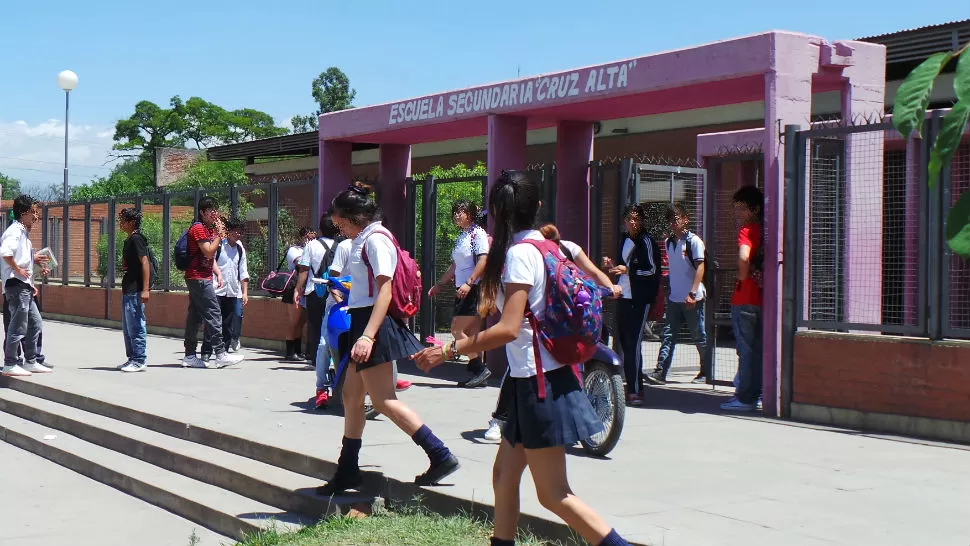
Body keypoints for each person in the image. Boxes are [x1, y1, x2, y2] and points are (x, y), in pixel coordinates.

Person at [413, 171, 632, 546]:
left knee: (554, 494)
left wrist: (449, 349)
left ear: (496, 212)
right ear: (538, 207)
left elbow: (509, 328)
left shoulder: (519, 255)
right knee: (504, 476)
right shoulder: (555, 247)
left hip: (539, 383)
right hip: (528, 380)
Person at [317, 184, 459, 495]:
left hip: (373, 325)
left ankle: (440, 454)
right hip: (364, 321)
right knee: (352, 398)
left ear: (354, 217)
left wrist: (368, 335)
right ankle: (348, 470)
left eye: (340, 221)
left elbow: (386, 290)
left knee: (383, 399)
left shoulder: (376, 241)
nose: (337, 226)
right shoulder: (364, 239)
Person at [481, 222, 621, 442]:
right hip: (545, 321)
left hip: (575, 314)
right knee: (519, 369)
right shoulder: (528, 252)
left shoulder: (568, 249)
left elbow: (592, 271)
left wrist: (610, 286)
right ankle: (500, 418)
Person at [647, 203, 712, 385]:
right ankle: (661, 372)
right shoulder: (669, 243)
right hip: (675, 298)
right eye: (670, 220)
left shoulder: (694, 242)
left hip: (693, 298)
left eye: (676, 219)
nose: (673, 223)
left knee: (699, 336)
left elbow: (701, 267)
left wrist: (692, 293)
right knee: (668, 335)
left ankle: (706, 372)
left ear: (685, 219)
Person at [428, 200, 491, 388]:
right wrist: (440, 284)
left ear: (470, 214)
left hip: (473, 289)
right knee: (471, 333)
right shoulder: (463, 236)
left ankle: (479, 368)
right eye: (455, 212)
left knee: (456, 330)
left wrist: (469, 283)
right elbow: (455, 266)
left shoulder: (477, 234)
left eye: (461, 211)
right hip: (463, 288)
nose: (456, 215)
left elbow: (483, 261)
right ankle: (478, 375)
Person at [602, 204, 660, 407]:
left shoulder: (647, 241)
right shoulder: (624, 240)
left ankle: (635, 391)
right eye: (629, 219)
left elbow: (651, 270)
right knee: (625, 344)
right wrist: (613, 266)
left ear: (642, 220)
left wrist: (627, 270)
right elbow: (623, 267)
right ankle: (631, 387)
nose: (632, 222)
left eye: (636, 219)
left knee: (634, 344)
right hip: (623, 296)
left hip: (640, 299)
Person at [182, 197, 243, 369]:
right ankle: (220, 353)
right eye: (210, 211)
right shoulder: (199, 228)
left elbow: (209, 258)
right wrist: (219, 235)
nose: (214, 214)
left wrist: (217, 272)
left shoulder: (207, 229)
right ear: (202, 212)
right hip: (198, 277)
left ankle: (189, 355)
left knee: (194, 316)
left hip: (201, 276)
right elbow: (209, 252)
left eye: (215, 210)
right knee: (214, 312)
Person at [721, 186, 764, 412]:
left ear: (754, 209)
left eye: (741, 208)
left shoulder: (747, 230)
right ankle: (756, 392)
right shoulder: (764, 230)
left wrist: (741, 275)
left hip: (744, 297)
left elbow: (743, 257)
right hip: (759, 300)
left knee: (745, 350)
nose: (738, 213)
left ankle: (746, 397)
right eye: (735, 208)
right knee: (757, 350)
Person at [1, 194, 51, 377]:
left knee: (34, 322)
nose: (35, 216)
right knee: (18, 325)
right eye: (33, 211)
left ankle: (31, 361)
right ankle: (10, 363)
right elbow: (5, 253)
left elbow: (22, 259)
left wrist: (31, 278)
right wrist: (18, 270)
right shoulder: (14, 231)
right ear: (23, 212)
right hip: (16, 285)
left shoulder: (23, 233)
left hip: (24, 286)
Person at [201, 217, 249, 361]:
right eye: (235, 231)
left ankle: (224, 352)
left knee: (228, 324)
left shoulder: (240, 249)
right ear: (228, 231)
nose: (237, 234)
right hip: (216, 290)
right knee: (213, 321)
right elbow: (210, 261)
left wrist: (245, 292)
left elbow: (243, 271)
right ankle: (206, 351)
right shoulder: (219, 245)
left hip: (233, 291)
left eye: (240, 231)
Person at [295, 216, 338, 371]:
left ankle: (315, 360)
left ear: (320, 229)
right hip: (334, 291)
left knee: (315, 325)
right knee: (333, 325)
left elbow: (304, 269)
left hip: (314, 290)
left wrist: (298, 289)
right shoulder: (341, 245)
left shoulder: (312, 245)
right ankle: (334, 358)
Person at [117, 208, 151, 372]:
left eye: (123, 220)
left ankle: (139, 359)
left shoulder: (137, 239)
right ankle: (132, 358)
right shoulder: (129, 239)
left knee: (136, 325)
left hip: (136, 289)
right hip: (128, 289)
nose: (120, 223)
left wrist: (145, 289)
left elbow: (145, 263)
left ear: (132, 222)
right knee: (128, 327)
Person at [282, 226, 314, 361]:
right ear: (302, 237)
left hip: (306, 289)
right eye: (307, 237)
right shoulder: (293, 250)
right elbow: (301, 264)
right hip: (293, 287)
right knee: (294, 321)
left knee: (302, 321)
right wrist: (309, 249)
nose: (309, 239)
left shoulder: (313, 249)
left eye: (312, 237)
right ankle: (290, 352)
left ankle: (298, 350)